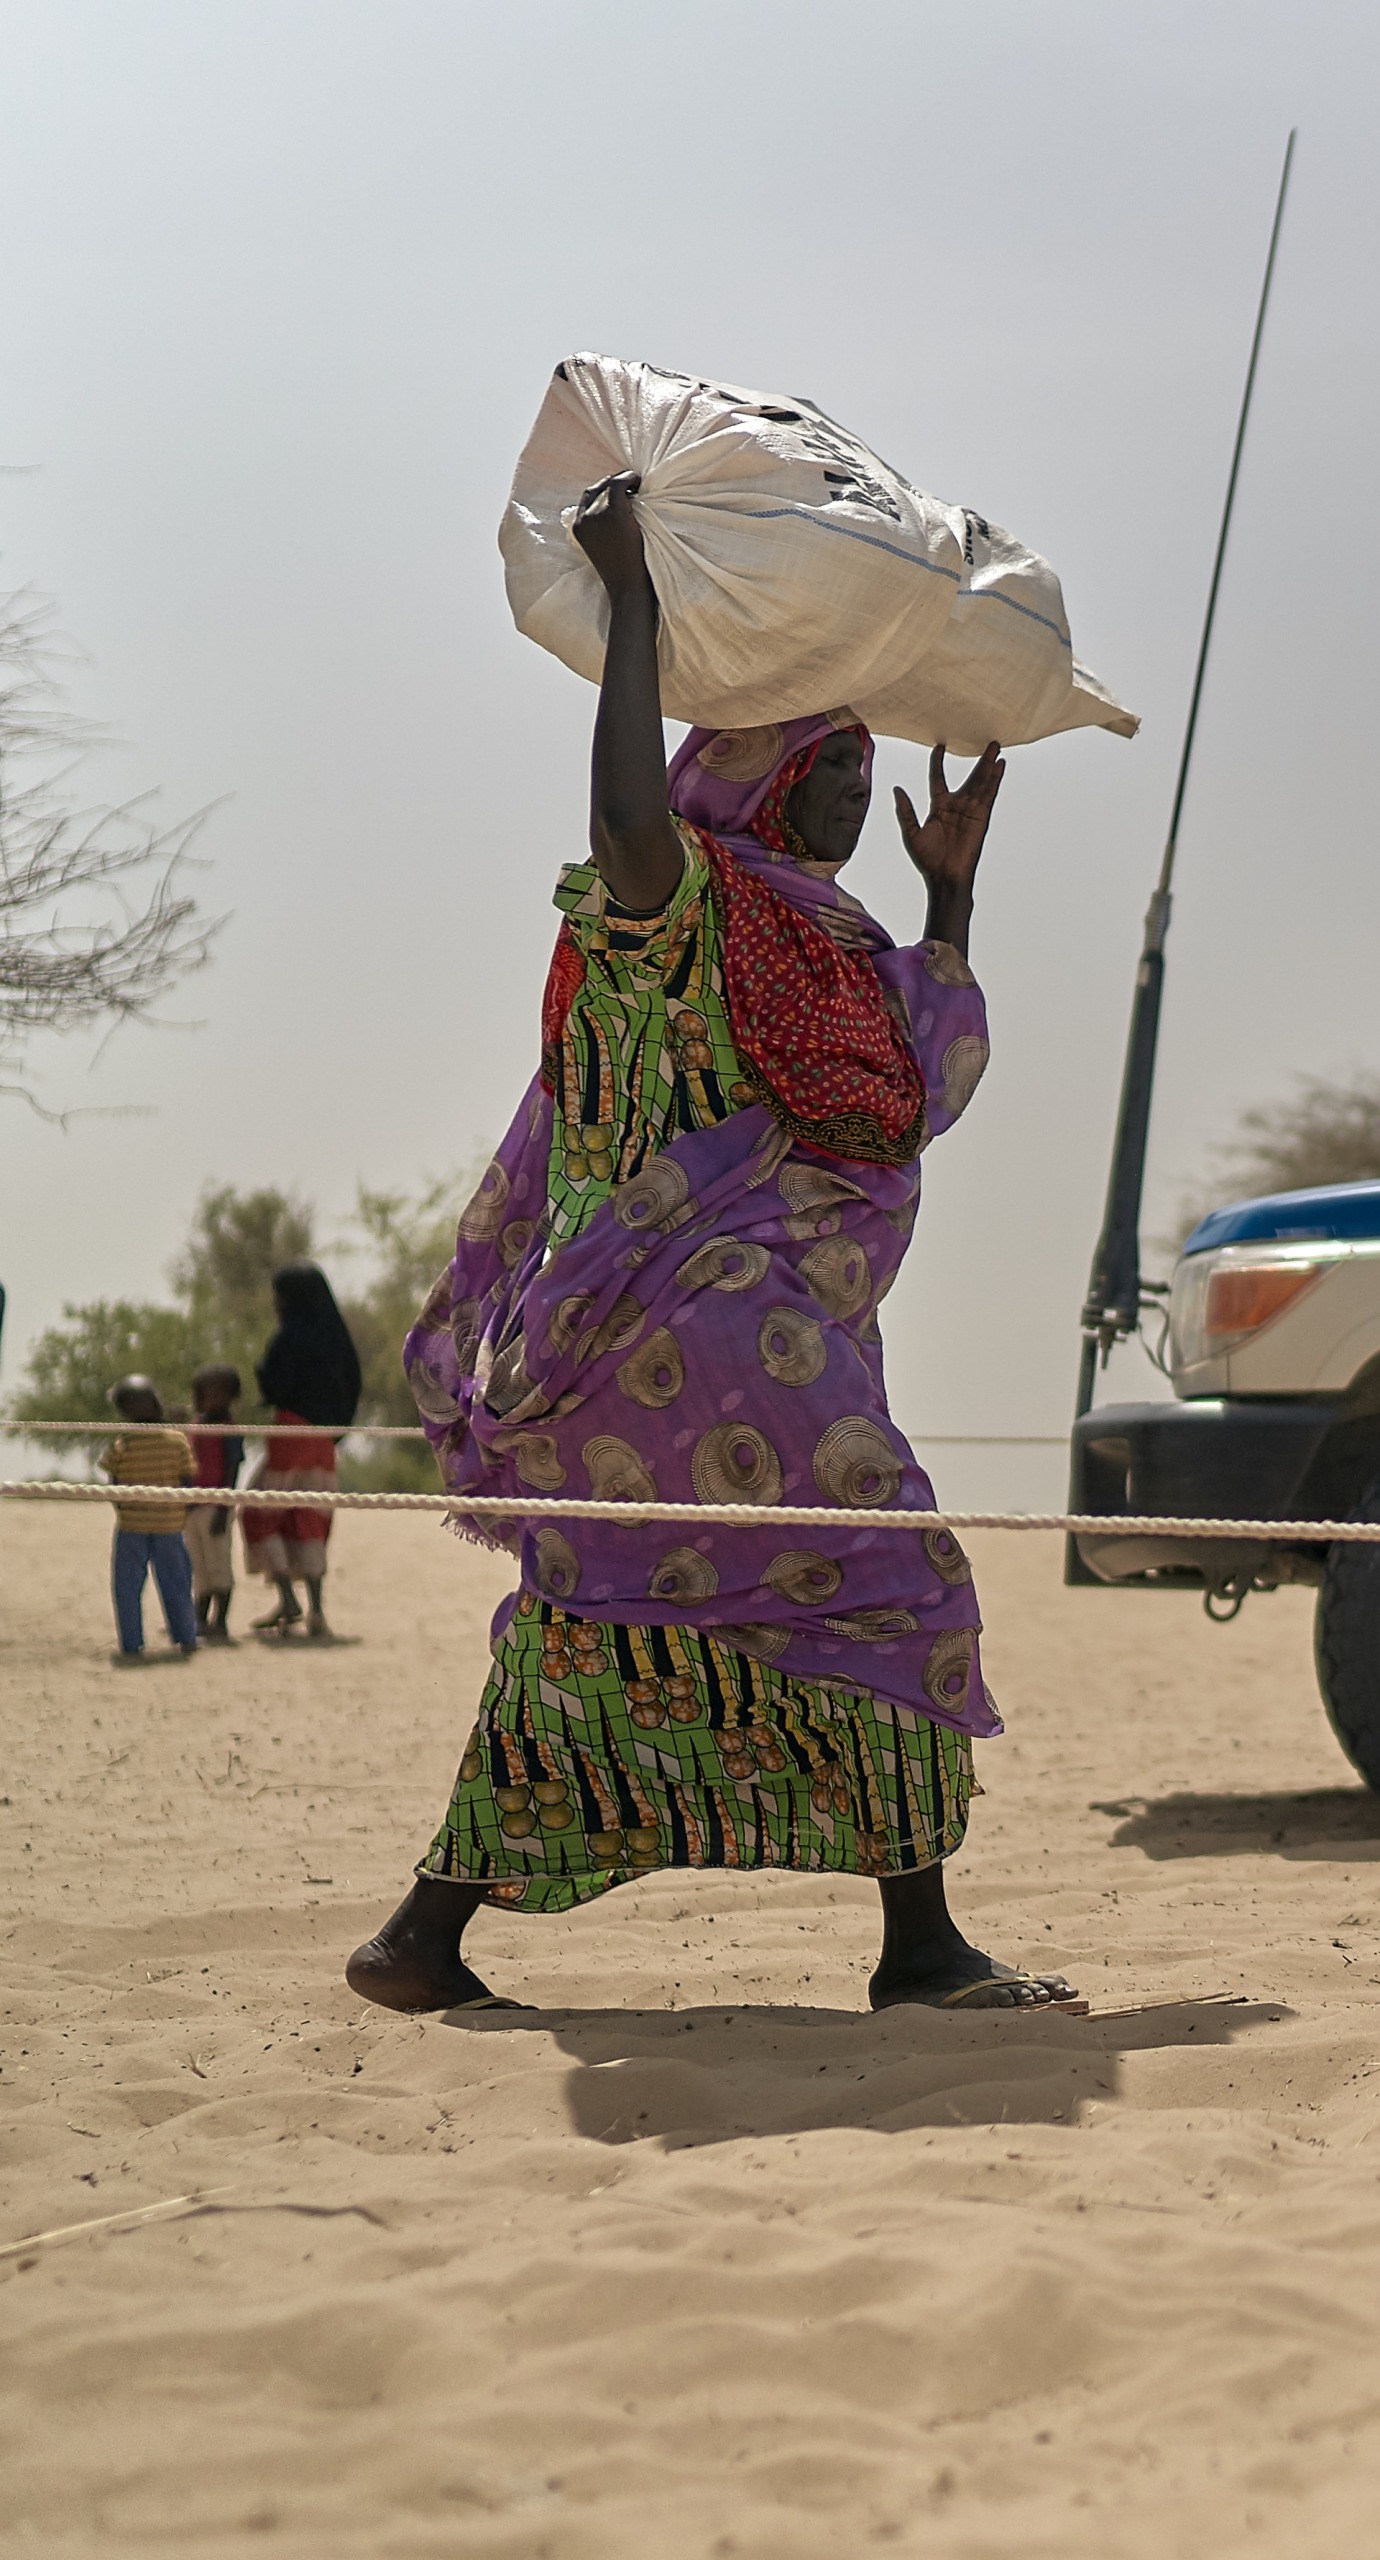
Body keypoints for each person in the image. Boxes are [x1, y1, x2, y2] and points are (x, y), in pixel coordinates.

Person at [348, 470, 1081, 2017]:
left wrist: (954, 899)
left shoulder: (833, 939)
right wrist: (632, 603)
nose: (851, 790)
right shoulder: (680, 905)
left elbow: (913, 1100)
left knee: (605, 1605)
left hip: (755, 1347)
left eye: (857, 765)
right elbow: (623, 811)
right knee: (897, 1581)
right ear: (762, 778)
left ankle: (423, 1939)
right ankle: (922, 1949)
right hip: (698, 1333)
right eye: (831, 762)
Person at [240, 1262, 361, 1638]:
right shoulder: (339, 1339)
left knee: (260, 1511)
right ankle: (317, 1610)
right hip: (324, 1441)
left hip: (291, 1431)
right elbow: (353, 1386)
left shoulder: (290, 1337)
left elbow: (276, 1384)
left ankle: (287, 1595)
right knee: (309, 1517)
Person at [101, 1376, 198, 1661]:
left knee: (150, 1585)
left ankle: (153, 1640)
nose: (157, 1402)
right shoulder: (130, 1444)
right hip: (158, 1524)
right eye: (147, 1399)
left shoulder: (127, 1444)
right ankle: (174, 1639)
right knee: (164, 1583)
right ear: (128, 1410)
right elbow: (188, 1480)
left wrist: (125, 1506)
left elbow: (114, 1483)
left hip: (144, 1525)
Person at [185, 1363, 245, 1642]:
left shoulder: (229, 1429)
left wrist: (224, 1505)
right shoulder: (194, 1426)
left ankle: (219, 1620)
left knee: (219, 1564)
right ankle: (198, 1618)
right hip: (192, 1505)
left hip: (215, 1504)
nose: (214, 1399)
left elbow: (232, 1467)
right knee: (199, 1565)